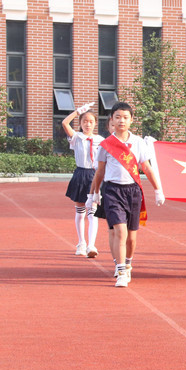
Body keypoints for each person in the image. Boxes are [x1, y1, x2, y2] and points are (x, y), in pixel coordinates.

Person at [88, 102, 164, 288]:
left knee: (131, 236)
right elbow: (100, 172)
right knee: (119, 231)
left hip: (133, 191)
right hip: (112, 190)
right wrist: (94, 194)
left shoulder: (138, 142)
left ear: (131, 120)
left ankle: (127, 263)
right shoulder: (106, 145)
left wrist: (157, 189)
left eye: (125, 117)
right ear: (112, 120)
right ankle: (121, 270)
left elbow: (146, 167)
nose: (121, 120)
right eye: (118, 117)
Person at [62, 101, 103, 257]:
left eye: (91, 122)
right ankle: (81, 242)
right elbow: (65, 123)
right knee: (80, 212)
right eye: (85, 121)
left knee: (93, 211)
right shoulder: (76, 137)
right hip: (80, 174)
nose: (88, 124)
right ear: (80, 123)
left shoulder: (100, 139)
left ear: (95, 124)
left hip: (94, 175)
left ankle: (91, 245)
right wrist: (78, 111)